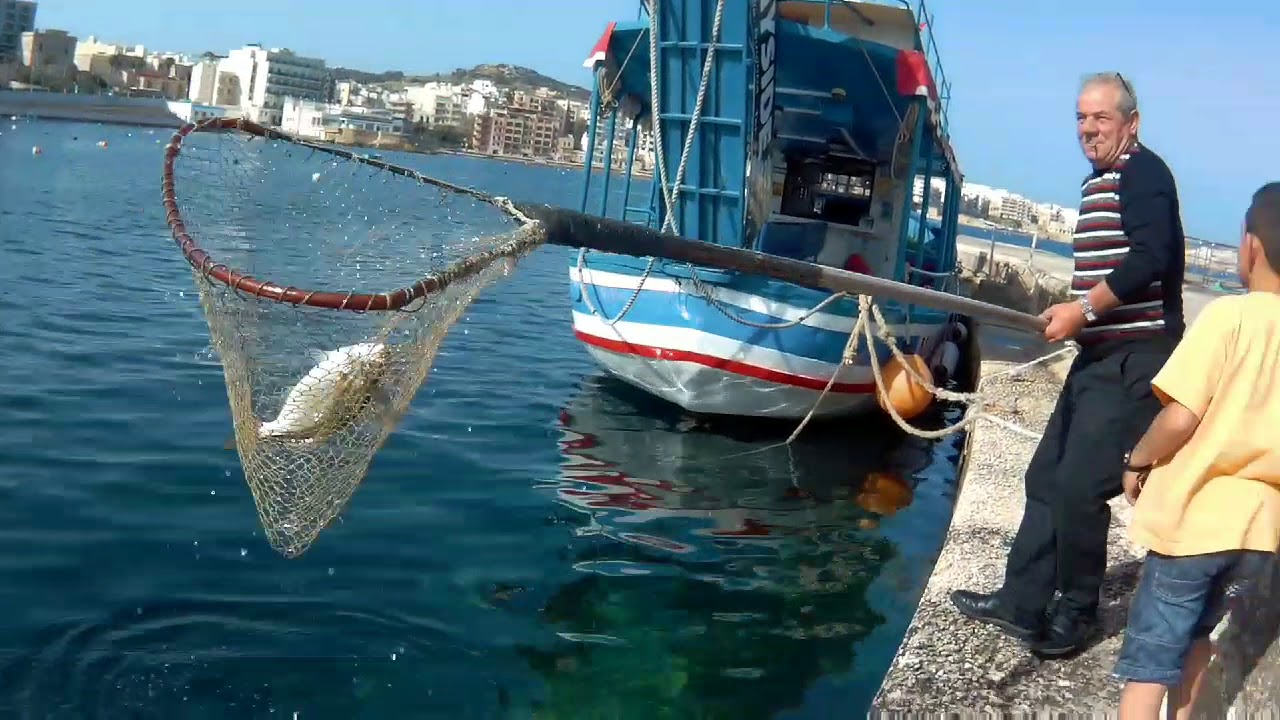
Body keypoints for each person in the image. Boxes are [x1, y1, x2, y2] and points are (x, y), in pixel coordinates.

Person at [949, 71, 1187, 657]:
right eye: (1081, 117)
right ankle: (1020, 601)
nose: (1087, 128)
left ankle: (1077, 613)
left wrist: (1083, 307)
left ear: (1131, 123)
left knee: (1081, 487)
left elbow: (1150, 258)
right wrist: (1083, 318)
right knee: (1044, 477)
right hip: (1098, 357)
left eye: (1100, 118)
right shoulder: (1098, 181)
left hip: (1137, 359)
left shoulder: (1144, 173)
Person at [1112, 182, 1280, 720]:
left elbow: (1180, 416)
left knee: (1150, 660)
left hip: (1196, 522)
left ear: (1250, 246)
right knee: (1198, 637)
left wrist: (1136, 461)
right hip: (1258, 533)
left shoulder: (1229, 317)